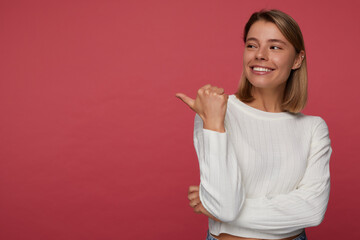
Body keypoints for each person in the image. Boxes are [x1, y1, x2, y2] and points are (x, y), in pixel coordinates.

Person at [176, 9, 333, 240]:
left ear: (297, 59)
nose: (260, 55)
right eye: (252, 45)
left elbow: (313, 210)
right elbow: (225, 206)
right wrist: (214, 123)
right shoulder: (215, 111)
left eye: (275, 47)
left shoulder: (313, 128)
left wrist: (223, 211)